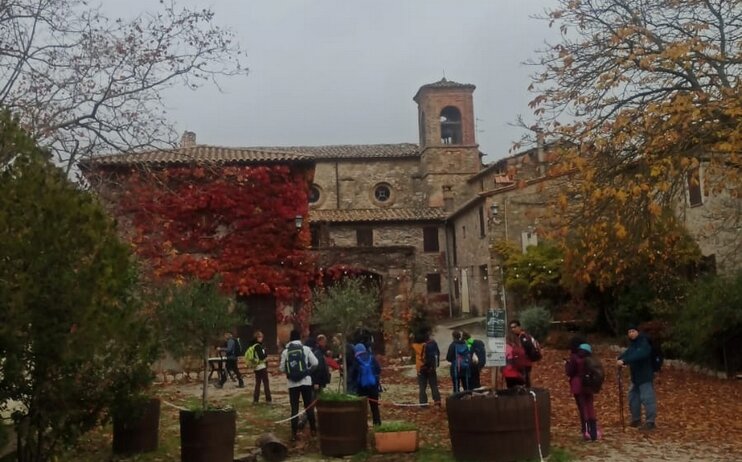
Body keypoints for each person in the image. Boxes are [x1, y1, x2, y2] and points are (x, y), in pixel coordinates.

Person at [279, 329, 318, 441]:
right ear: (299, 338)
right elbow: (315, 363)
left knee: (294, 408)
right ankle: (313, 430)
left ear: (290, 338)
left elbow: (281, 368)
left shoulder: (285, 352)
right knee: (308, 406)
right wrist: (307, 371)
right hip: (306, 381)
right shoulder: (305, 349)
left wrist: (291, 373)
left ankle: (293, 433)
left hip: (292, 384)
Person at [617, 324, 657, 431]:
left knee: (647, 398)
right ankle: (636, 419)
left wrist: (625, 361)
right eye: (629, 332)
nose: (631, 333)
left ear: (637, 332)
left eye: (633, 331)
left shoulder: (644, 343)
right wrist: (620, 359)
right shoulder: (633, 345)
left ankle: (650, 422)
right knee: (633, 397)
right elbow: (628, 353)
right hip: (636, 377)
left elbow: (640, 355)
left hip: (645, 376)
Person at [566, 343, 601, 441]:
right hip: (589, 385)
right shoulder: (591, 359)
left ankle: (586, 431)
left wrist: (567, 365)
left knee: (582, 408)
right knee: (590, 407)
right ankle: (593, 432)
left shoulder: (575, 358)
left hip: (577, 384)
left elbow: (570, 372)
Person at [352, 343, 382, 425]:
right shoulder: (371, 357)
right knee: (375, 408)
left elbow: (353, 374)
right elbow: (379, 370)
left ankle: (363, 426)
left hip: (361, 388)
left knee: (362, 409)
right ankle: (377, 424)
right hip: (373, 387)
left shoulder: (356, 360)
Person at [411, 329, 441, 406]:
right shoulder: (431, 344)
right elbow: (437, 353)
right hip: (431, 367)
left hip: (420, 368)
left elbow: (412, 341)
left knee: (422, 387)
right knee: (434, 386)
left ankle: (423, 403)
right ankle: (437, 401)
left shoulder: (415, 346)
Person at [509, 320, 538, 387]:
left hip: (525, 363)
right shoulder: (516, 337)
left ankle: (528, 395)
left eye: (514, 327)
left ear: (519, 327)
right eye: (512, 328)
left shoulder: (524, 337)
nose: (513, 329)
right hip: (519, 364)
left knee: (526, 381)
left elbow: (528, 349)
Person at [249, 330, 271, 403]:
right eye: (260, 337)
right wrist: (265, 355)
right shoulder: (258, 346)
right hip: (261, 366)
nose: (262, 338)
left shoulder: (252, 346)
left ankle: (256, 399)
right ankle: (268, 399)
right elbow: (262, 356)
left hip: (256, 366)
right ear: (257, 337)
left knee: (258, 383)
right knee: (266, 383)